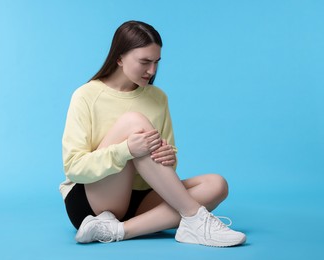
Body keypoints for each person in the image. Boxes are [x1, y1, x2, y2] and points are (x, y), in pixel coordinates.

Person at [60, 20, 246, 247]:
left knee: (217, 185)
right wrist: (126, 150)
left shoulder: (158, 98)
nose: (152, 71)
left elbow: (166, 166)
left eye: (157, 62)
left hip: (139, 200)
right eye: (145, 62)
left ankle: (119, 231)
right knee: (133, 121)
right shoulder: (85, 96)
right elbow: (74, 167)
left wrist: (170, 156)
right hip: (92, 202)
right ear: (119, 58)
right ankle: (195, 218)